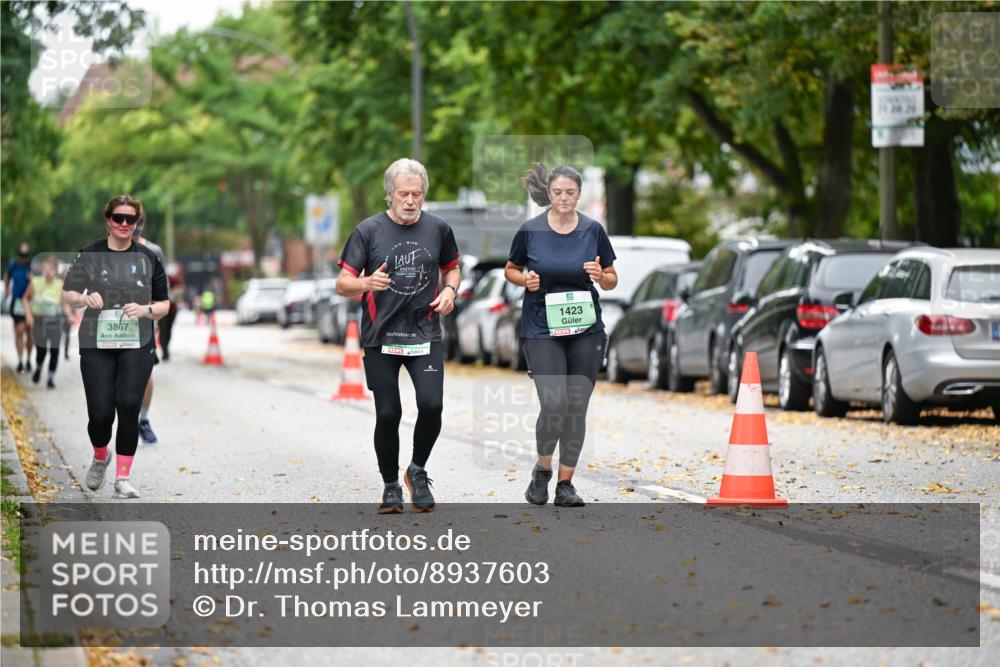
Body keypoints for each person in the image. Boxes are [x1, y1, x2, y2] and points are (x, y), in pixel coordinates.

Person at [336, 158, 460, 514]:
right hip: (382, 336)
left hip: (424, 333)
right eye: (403, 194)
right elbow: (342, 283)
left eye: (417, 194)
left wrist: (450, 291)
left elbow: (452, 269)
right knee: (389, 413)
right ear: (389, 196)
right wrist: (366, 283)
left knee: (432, 405)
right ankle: (391, 485)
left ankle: (417, 470)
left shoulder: (438, 229)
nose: (410, 201)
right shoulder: (368, 231)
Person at [504, 163, 618, 507]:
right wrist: (526, 280)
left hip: (585, 329)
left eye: (570, 192)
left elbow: (612, 278)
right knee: (554, 403)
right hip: (542, 328)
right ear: (549, 195)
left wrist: (600, 275)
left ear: (579, 194)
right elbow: (511, 269)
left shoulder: (593, 230)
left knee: (576, 406)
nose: (564, 198)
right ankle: (542, 469)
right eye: (558, 193)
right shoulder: (531, 231)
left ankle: (565, 484)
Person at [62, 195, 169, 499]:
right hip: (96, 340)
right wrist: (84, 299)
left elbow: (164, 304)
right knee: (99, 414)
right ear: (108, 220)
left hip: (137, 341)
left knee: (128, 404)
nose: (124, 224)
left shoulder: (148, 257)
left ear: (137, 223)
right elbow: (67, 293)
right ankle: (100, 455)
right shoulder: (90, 254)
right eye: (118, 218)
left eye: (130, 219)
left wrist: (146, 310)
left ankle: (123, 477)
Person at [133, 214, 167, 444]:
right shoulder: (109, 250)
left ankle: (143, 420)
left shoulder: (154, 251)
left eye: (133, 221)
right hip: (115, 322)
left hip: (145, 320)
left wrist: (156, 321)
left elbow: (162, 293)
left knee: (146, 372)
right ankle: (126, 418)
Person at [23, 255, 72, 388]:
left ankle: (50, 378)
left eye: (51, 270)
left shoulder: (59, 284)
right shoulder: (35, 282)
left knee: (55, 350)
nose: (48, 272)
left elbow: (64, 303)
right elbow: (26, 299)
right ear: (43, 269)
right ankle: (38, 367)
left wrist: (69, 316)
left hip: (55, 320)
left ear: (55, 271)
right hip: (39, 320)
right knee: (41, 350)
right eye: (46, 269)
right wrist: (28, 315)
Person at [5, 243, 33, 373]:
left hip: (30, 302)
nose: (23, 257)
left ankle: (28, 359)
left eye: (25, 255)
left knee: (30, 332)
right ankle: (20, 360)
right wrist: (7, 289)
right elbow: (7, 276)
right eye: (21, 255)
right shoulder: (13, 265)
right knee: (19, 332)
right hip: (17, 302)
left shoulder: (31, 266)